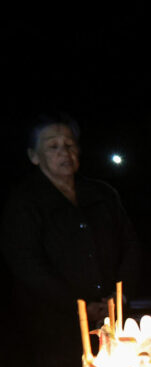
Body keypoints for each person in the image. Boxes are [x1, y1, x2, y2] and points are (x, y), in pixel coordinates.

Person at [2, 112, 141, 329]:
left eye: (69, 144)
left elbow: (130, 245)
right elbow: (26, 264)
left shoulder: (103, 194)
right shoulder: (24, 202)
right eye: (53, 147)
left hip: (114, 316)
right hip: (56, 325)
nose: (64, 152)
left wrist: (119, 295)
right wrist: (78, 307)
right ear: (34, 156)